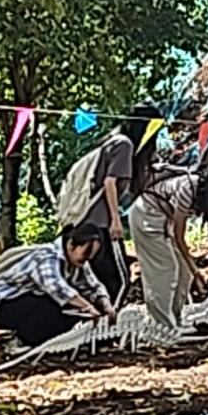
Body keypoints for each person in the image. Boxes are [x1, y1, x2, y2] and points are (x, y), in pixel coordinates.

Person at [129, 160, 208, 328]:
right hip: (148, 215)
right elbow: (179, 236)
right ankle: (162, 325)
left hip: (166, 220)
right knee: (165, 270)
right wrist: (196, 270)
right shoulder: (188, 189)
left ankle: (176, 319)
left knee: (184, 273)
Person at [73, 104, 162, 305]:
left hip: (90, 221)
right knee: (118, 280)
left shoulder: (113, 141)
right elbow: (109, 182)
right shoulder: (124, 145)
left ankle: (98, 319)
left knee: (99, 280)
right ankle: (106, 319)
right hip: (100, 223)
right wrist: (115, 220)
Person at [0, 224, 114, 347]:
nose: (87, 258)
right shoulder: (47, 256)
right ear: (71, 244)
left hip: (27, 302)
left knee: (75, 306)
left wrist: (105, 304)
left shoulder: (78, 263)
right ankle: (24, 341)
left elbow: (93, 286)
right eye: (86, 252)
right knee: (61, 304)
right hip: (0, 304)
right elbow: (55, 287)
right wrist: (88, 308)